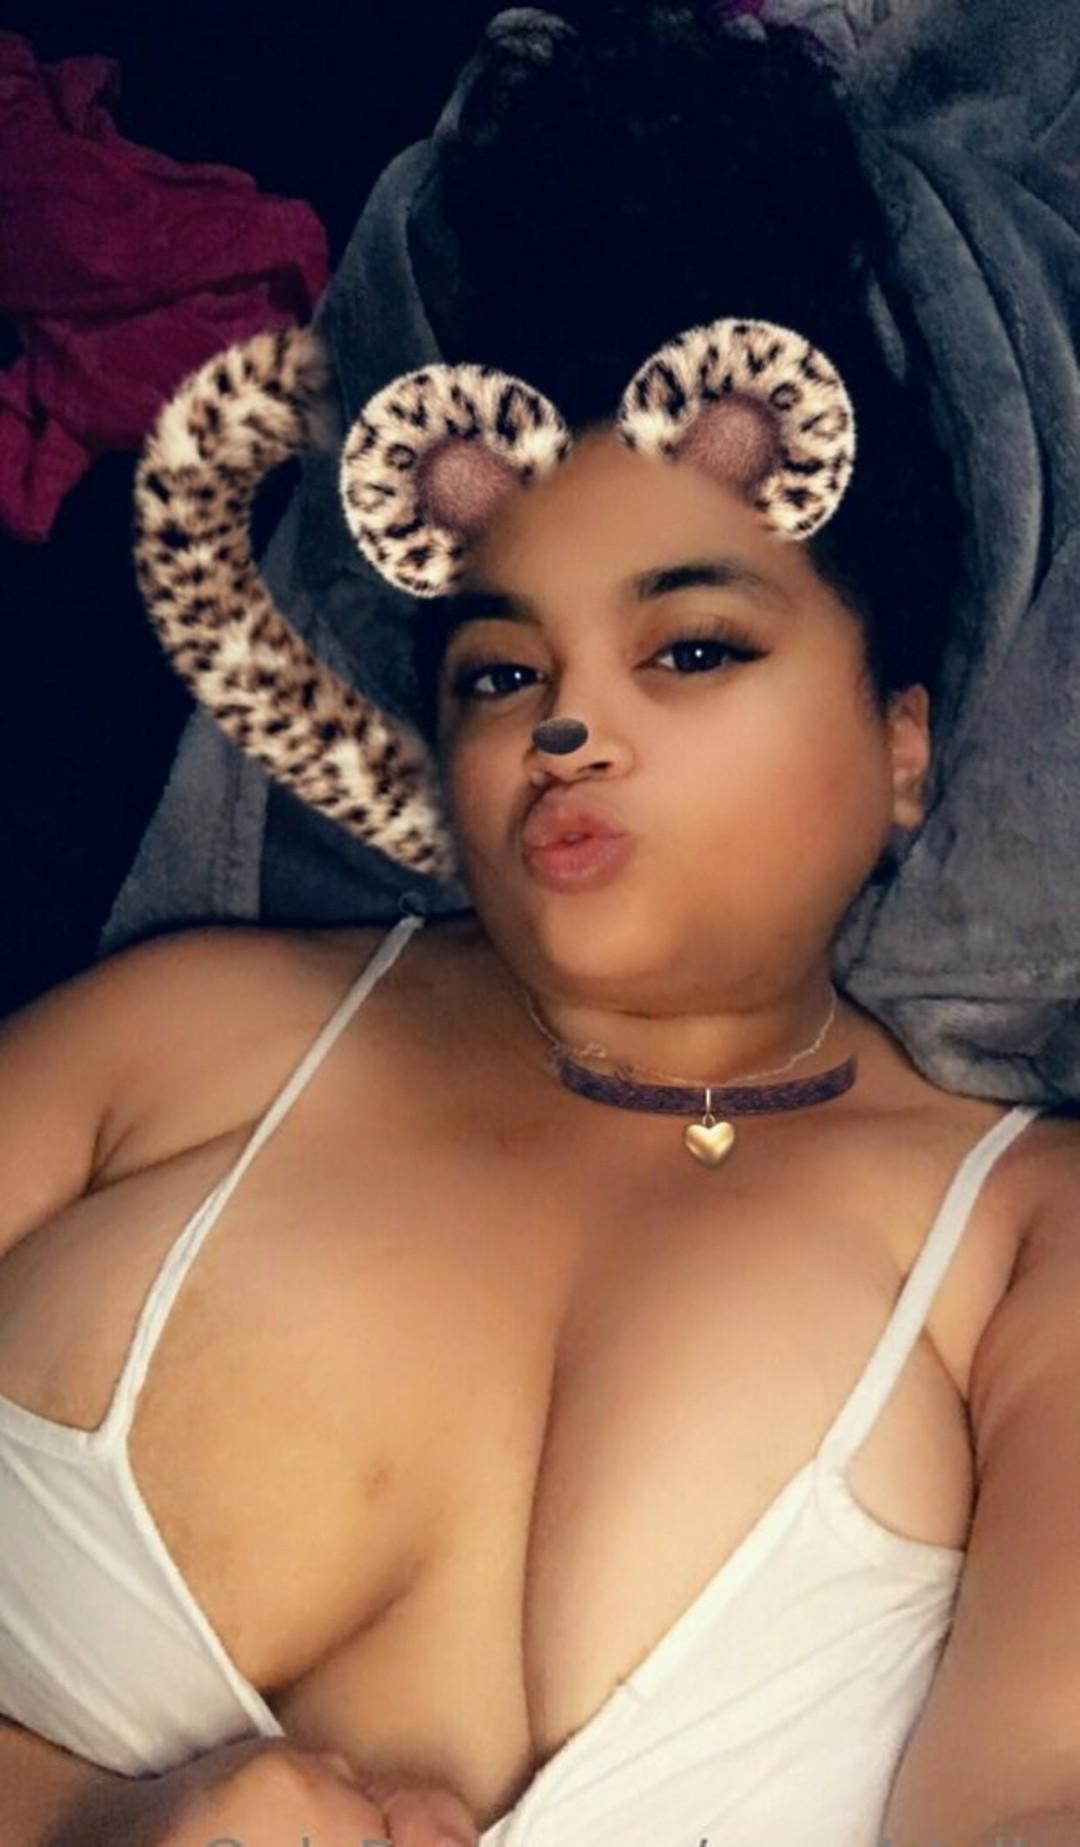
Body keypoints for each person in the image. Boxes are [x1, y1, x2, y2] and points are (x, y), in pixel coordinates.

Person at [1, 8, 1078, 1844]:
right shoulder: (164, 1044)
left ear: (905, 743)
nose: (569, 727)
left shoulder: (1024, 1251)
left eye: (693, 647)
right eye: (504, 671)